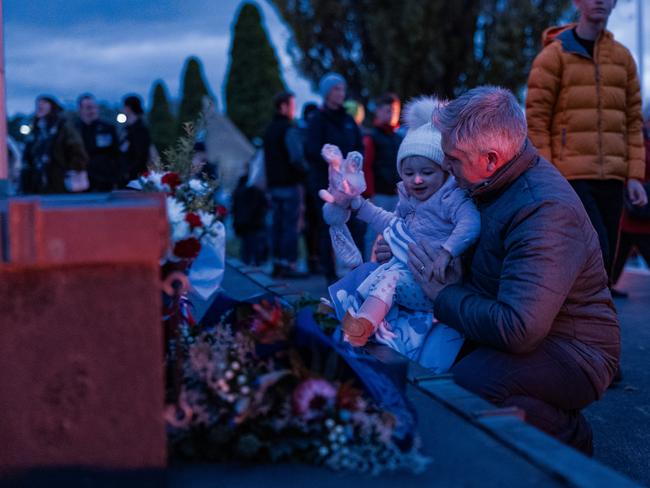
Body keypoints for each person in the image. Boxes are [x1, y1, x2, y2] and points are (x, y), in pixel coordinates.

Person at [391, 86, 620, 454]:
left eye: (452, 158)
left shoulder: (543, 212)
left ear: (491, 159)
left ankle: (570, 438)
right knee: (423, 364)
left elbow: (519, 328)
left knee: (468, 387)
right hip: (519, 325)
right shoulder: (487, 181)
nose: (446, 167)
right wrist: (399, 242)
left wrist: (444, 296)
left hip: (575, 350)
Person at [336, 97, 480, 349]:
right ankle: (351, 318)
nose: (417, 180)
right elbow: (391, 223)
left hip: (434, 283)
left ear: (444, 171)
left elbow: (470, 223)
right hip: (407, 269)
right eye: (409, 173)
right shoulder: (409, 198)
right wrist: (359, 205)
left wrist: (447, 251)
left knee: (387, 280)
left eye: (427, 172)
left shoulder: (450, 197)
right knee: (372, 275)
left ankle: (364, 326)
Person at [525, 0, 647, 282]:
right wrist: (549, 176)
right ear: (577, 2)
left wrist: (634, 177)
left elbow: (632, 121)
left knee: (605, 263)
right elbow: (537, 121)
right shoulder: (553, 56)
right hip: (571, 177)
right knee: (596, 253)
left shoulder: (623, 58)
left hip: (614, 179)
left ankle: (588, 321)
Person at [305, 73, 364, 284]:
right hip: (326, 185)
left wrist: (352, 165)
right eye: (336, 89)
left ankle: (355, 270)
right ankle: (331, 275)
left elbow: (359, 146)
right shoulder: (317, 120)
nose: (341, 93)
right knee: (328, 227)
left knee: (355, 224)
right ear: (327, 93)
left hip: (349, 186)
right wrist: (333, 161)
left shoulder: (348, 120)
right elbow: (311, 150)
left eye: (342, 89)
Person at [263, 91, 309, 278]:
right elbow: (296, 157)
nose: (294, 109)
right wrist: (306, 172)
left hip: (274, 185)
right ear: (283, 107)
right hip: (290, 184)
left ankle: (277, 262)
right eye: (292, 105)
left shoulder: (269, 130)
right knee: (291, 225)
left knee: (276, 225)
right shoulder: (288, 129)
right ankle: (289, 264)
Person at [611, 105, 650, 295]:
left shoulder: (642, 141)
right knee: (626, 248)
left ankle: (607, 285)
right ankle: (606, 285)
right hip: (636, 208)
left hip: (635, 211)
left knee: (620, 251)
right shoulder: (640, 143)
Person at [362, 93, 404, 258]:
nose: (392, 113)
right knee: (373, 235)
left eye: (395, 110)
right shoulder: (372, 138)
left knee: (396, 234)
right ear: (378, 112)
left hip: (398, 195)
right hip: (378, 195)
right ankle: (368, 270)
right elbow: (366, 166)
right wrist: (369, 194)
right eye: (388, 110)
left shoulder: (399, 138)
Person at [21, 95, 88, 194]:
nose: (40, 106)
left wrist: (74, 169)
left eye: (44, 103)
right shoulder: (35, 129)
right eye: (38, 104)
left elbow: (76, 149)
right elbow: (29, 153)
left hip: (60, 177)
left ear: (52, 107)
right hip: (39, 179)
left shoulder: (63, 126)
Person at [76, 93, 120, 191]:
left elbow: (116, 153)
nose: (92, 110)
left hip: (104, 179)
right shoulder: (74, 130)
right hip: (80, 180)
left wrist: (116, 177)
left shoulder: (107, 128)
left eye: (94, 107)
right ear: (80, 110)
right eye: (88, 107)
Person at [299, 102, 322, 274]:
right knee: (314, 223)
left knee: (314, 224)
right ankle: (314, 259)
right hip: (310, 182)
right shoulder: (306, 133)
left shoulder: (303, 132)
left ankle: (315, 258)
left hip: (310, 182)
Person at [232, 174, 269, 266]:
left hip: (244, 222)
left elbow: (235, 206)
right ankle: (256, 262)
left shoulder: (241, 185)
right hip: (255, 222)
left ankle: (247, 262)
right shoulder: (256, 187)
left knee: (247, 245)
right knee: (255, 243)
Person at [119, 94, 151, 186]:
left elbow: (141, 155)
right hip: (126, 175)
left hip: (135, 177)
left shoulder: (140, 129)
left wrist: (129, 172)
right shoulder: (127, 129)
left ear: (128, 108)